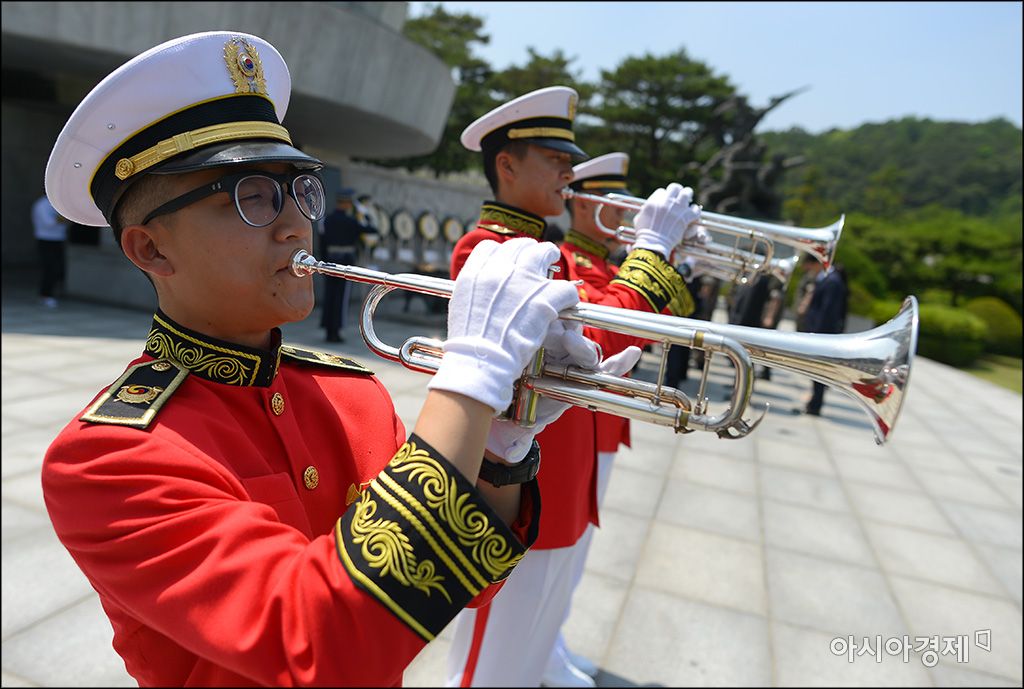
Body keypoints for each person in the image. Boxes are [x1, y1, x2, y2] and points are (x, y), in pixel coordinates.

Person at [40, 31, 605, 686]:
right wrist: (471, 378)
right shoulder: (105, 458)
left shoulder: (350, 393)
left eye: (299, 189)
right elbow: (319, 640)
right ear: (150, 250)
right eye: (252, 196)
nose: (294, 225)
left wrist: (500, 449)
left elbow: (459, 581)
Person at [444, 86, 703, 688]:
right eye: (554, 157)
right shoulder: (488, 248)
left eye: (569, 158)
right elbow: (601, 336)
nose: (569, 170)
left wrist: (669, 258)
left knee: (530, 642)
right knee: (489, 665)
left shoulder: (544, 249)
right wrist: (652, 251)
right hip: (521, 482)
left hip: (562, 475)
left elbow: (633, 336)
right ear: (506, 165)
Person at [792, 255, 848, 416]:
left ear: (816, 264)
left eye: (809, 266)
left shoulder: (832, 281)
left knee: (819, 373)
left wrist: (816, 335)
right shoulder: (828, 279)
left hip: (823, 332)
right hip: (820, 330)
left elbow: (827, 313)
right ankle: (813, 403)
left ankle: (815, 405)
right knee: (816, 373)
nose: (808, 271)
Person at [320, 188, 375, 342]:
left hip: (329, 262)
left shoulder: (327, 219)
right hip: (345, 264)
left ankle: (328, 330)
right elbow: (372, 229)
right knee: (341, 299)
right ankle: (336, 332)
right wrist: (364, 212)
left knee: (329, 297)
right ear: (348, 203)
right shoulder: (351, 221)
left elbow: (322, 243)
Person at [32, 193, 68, 308]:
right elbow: (48, 223)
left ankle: (53, 292)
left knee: (59, 268)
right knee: (49, 268)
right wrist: (63, 218)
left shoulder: (58, 204)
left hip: (58, 240)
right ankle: (45, 295)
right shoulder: (41, 205)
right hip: (46, 240)